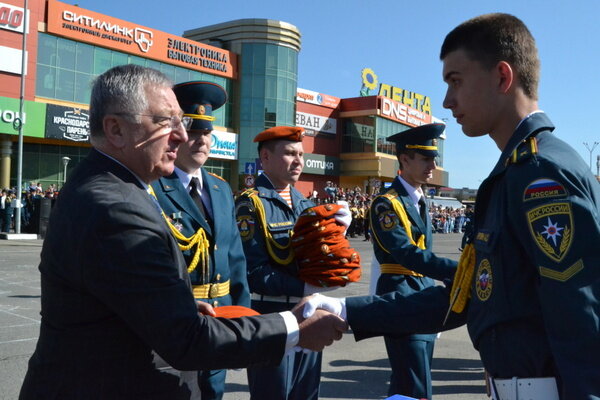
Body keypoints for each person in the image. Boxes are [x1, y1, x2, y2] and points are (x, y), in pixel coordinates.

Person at [301, 13, 600, 400]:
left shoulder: (540, 174)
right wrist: (346, 311)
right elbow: (471, 293)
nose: (447, 100)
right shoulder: (515, 171)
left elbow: (582, 319)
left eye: (455, 81)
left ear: (502, 77)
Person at [19, 64, 347, 400]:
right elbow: (185, 339)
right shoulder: (115, 207)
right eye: (165, 121)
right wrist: (294, 328)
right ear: (115, 130)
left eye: (182, 123)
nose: (181, 135)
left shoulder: (118, 188)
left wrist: (184, 307)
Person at [150, 81, 249, 400]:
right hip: (178, 328)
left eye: (207, 133)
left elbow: (236, 263)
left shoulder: (221, 190)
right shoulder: (154, 188)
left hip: (221, 324)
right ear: (175, 134)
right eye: (193, 131)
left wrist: (242, 326)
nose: (201, 140)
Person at [235, 126, 350, 400]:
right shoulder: (250, 205)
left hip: (310, 316)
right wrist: (307, 287)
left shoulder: (306, 204)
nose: (298, 161)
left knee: (305, 394)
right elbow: (252, 271)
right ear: (265, 157)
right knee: (272, 394)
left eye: (301, 154)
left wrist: (336, 242)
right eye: (289, 153)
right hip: (272, 316)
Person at [370, 123, 458, 399]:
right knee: (416, 386)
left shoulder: (420, 200)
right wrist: (457, 270)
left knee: (406, 383)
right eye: (425, 158)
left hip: (422, 292)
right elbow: (406, 253)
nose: (432, 164)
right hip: (401, 294)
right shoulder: (386, 203)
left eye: (434, 158)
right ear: (405, 159)